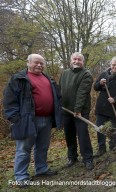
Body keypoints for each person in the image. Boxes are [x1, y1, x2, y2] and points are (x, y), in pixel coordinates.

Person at [3, 54, 62, 187]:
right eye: (36, 63)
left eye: (42, 63)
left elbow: (57, 97)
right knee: (24, 149)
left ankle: (41, 169)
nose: (39, 65)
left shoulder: (49, 79)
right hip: (27, 120)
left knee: (43, 147)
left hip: (46, 119)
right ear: (28, 63)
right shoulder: (19, 79)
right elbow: (9, 101)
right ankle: (21, 177)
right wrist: (15, 119)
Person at [59, 52, 94, 170]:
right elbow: (60, 90)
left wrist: (77, 110)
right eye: (74, 59)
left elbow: (82, 93)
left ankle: (88, 159)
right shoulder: (64, 73)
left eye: (79, 59)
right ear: (71, 60)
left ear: (83, 62)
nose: (76, 61)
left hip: (80, 112)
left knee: (82, 135)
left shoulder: (86, 74)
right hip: (66, 111)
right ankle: (72, 157)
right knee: (69, 135)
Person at [93, 56, 116, 157]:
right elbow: (95, 87)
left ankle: (113, 147)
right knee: (100, 129)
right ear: (110, 65)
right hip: (102, 107)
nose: (115, 67)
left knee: (112, 129)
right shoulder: (104, 74)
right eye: (113, 65)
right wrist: (100, 83)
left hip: (113, 109)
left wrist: (115, 99)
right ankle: (101, 148)